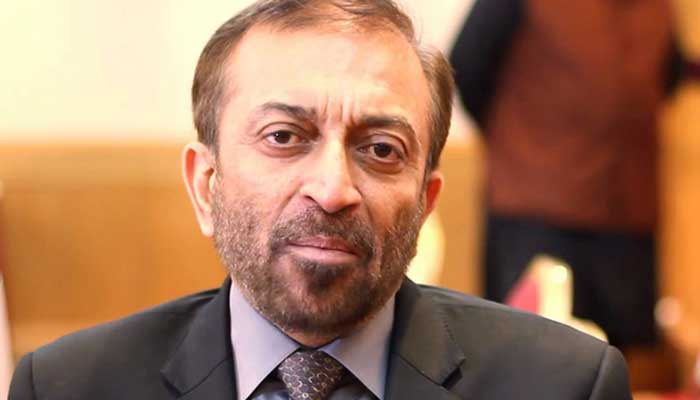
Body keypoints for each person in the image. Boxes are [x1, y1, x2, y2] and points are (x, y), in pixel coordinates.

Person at [9, 1, 632, 399]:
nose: (333, 190)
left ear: (426, 202)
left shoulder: (564, 385)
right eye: (284, 137)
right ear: (205, 184)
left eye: (382, 149)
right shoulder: (68, 387)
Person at [449, 0, 681, 350]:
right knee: (526, 353)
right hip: (535, 215)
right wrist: (522, 143)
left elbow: (667, 75)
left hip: (626, 222)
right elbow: (467, 64)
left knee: (622, 359)